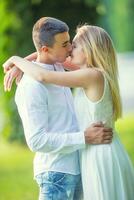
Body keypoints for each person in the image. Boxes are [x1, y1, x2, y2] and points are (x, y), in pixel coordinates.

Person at [4, 24, 134, 200]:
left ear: (89, 51)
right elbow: (49, 58)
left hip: (100, 155)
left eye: (75, 45)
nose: (71, 49)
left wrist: (15, 60)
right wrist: (24, 63)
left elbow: (44, 75)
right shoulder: (89, 72)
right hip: (95, 151)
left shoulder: (91, 76)